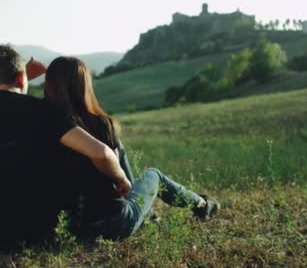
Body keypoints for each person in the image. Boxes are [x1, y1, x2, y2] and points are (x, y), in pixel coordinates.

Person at [0, 44, 132, 251]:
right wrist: (122, 180)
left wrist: (13, 76)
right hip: (38, 234)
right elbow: (100, 152)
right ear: (20, 78)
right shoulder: (45, 111)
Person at [44, 56, 220, 240]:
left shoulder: (45, 124)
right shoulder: (102, 125)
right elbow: (103, 156)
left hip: (70, 227)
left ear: (50, 85)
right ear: (84, 85)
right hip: (113, 224)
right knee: (154, 174)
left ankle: (145, 212)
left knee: (116, 148)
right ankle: (202, 204)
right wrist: (121, 178)